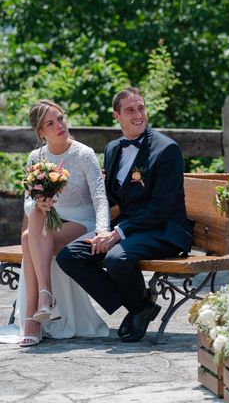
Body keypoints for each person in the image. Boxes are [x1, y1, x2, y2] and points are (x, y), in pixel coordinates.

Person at [57, 87, 193, 343]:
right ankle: (140, 306)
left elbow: (160, 209)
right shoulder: (113, 149)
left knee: (117, 258)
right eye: (130, 110)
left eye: (141, 108)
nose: (138, 114)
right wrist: (100, 229)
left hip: (164, 229)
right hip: (128, 228)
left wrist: (117, 234)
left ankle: (137, 308)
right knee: (69, 256)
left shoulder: (167, 150)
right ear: (117, 115)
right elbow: (110, 198)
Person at [10, 100, 110, 346]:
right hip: (51, 222)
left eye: (61, 118)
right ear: (41, 132)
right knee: (33, 220)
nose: (59, 126)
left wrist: (103, 229)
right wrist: (39, 204)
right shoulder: (37, 156)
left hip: (81, 220)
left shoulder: (83, 154)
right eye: (50, 123)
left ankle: (35, 311)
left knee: (28, 238)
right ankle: (44, 298)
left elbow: (99, 197)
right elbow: (27, 202)